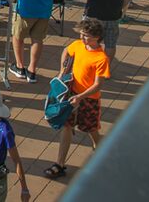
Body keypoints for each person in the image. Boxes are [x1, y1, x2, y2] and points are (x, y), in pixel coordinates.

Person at [44, 19, 110, 180]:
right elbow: (66, 51)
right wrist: (62, 71)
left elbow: (97, 85)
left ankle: (101, 153)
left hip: (89, 100)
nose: (82, 38)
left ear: (97, 37)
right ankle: (59, 164)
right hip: (72, 94)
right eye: (81, 34)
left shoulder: (101, 59)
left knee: (91, 129)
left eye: (86, 36)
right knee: (66, 127)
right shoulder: (78, 45)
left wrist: (80, 97)